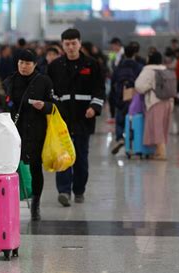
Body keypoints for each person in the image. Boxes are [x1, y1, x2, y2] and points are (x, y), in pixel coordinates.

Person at [47, 28, 105, 207]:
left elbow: (99, 90)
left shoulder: (92, 65)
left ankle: (79, 189)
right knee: (62, 156)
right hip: (62, 119)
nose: (71, 47)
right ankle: (64, 191)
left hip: (83, 118)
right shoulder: (55, 66)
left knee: (81, 157)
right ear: (62, 45)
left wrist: (94, 108)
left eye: (74, 43)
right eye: (67, 44)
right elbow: (50, 92)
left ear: (80, 43)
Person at [3, 49, 54, 221]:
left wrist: (44, 106)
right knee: (11, 166)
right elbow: (7, 102)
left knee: (35, 168)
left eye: (27, 63)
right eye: (21, 63)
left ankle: (36, 204)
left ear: (35, 64)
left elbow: (54, 105)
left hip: (36, 130)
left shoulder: (43, 81)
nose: (23, 67)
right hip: (15, 130)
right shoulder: (10, 80)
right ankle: (11, 201)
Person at [135, 52, 174, 160]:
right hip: (169, 101)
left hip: (155, 101)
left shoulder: (148, 70)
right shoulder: (165, 69)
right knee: (163, 126)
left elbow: (139, 86)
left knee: (156, 127)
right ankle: (158, 151)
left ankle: (161, 153)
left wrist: (148, 86)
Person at [110, 45, 143, 155]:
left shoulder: (119, 66)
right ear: (134, 54)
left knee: (120, 119)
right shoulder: (138, 67)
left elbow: (113, 81)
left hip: (120, 95)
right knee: (132, 119)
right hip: (133, 96)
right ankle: (131, 140)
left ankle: (120, 138)